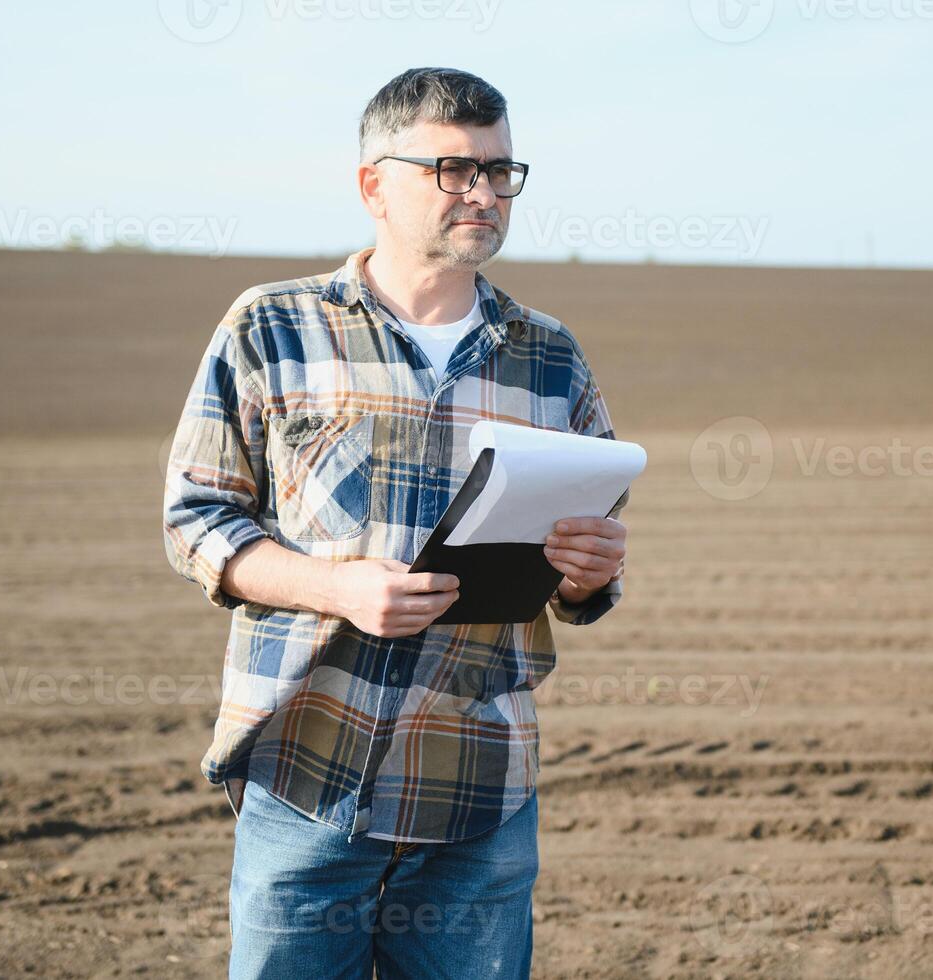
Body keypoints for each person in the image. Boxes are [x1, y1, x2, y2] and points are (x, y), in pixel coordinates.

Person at [162, 66, 630, 978]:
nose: (485, 193)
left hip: (478, 792)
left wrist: (590, 570)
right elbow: (195, 518)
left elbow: (588, 577)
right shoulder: (273, 327)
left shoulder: (550, 356)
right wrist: (332, 586)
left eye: (501, 172)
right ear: (373, 183)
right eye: (454, 170)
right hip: (306, 775)